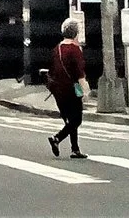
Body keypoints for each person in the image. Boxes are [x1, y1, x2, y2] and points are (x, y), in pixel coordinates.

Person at [45, 17, 88, 159]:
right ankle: (57, 138)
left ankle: (75, 149)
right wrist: (86, 91)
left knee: (69, 120)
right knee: (77, 120)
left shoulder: (56, 48)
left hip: (57, 89)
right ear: (76, 33)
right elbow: (79, 73)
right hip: (72, 89)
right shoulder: (75, 50)